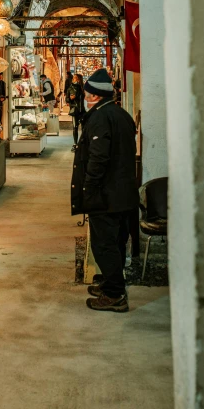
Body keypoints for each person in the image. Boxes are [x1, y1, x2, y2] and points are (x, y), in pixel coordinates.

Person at [70, 68, 139, 312]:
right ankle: (112, 282)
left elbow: (98, 159)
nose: (84, 98)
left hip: (107, 195)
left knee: (104, 244)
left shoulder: (100, 118)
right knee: (116, 241)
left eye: (87, 94)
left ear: (96, 96)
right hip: (123, 193)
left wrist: (89, 189)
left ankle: (114, 295)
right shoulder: (121, 114)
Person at [66, 73, 84, 152]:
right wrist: (70, 98)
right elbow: (67, 99)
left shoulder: (83, 88)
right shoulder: (71, 88)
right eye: (74, 78)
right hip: (75, 110)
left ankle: (83, 143)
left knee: (84, 127)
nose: (74, 79)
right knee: (75, 127)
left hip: (83, 110)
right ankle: (75, 143)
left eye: (76, 78)